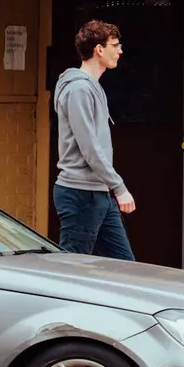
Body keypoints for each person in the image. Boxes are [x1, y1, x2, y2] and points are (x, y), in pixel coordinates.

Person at [52, 19, 136, 260]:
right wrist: (119, 187)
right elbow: (89, 147)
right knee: (72, 268)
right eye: (115, 45)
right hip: (80, 193)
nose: (120, 51)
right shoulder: (78, 89)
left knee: (124, 266)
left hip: (98, 192)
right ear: (99, 49)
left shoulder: (93, 87)